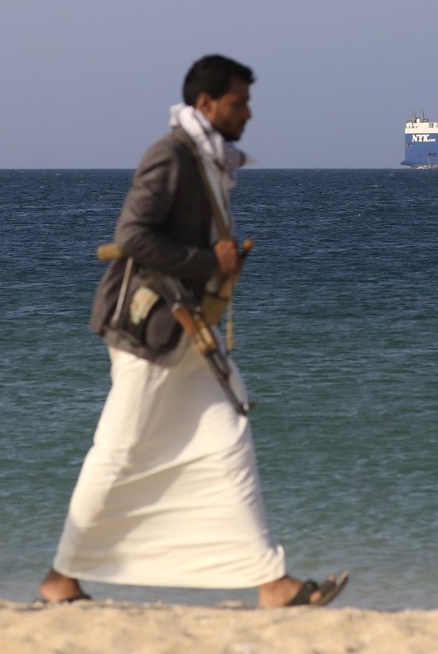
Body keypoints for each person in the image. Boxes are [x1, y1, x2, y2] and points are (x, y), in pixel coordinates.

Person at [38, 55, 348, 608]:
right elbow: (132, 236)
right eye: (238, 102)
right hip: (152, 330)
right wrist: (209, 260)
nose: (248, 113)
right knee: (118, 450)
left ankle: (269, 580)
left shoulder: (208, 161)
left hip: (187, 332)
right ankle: (61, 579)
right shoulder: (172, 156)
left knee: (228, 434)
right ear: (206, 105)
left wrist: (218, 263)